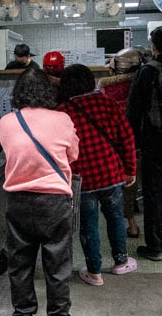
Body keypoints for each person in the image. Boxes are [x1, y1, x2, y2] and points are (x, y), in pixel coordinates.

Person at [0, 67, 79, 316]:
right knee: (57, 267)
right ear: (48, 91)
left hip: (18, 201)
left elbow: (10, 151)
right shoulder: (63, 119)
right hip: (54, 201)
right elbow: (73, 154)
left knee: (20, 266)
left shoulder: (7, 121)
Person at [59, 65, 138, 286]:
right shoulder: (107, 104)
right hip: (111, 174)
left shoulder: (63, 111)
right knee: (115, 217)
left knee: (88, 224)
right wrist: (130, 169)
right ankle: (121, 262)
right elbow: (127, 138)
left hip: (81, 178)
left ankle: (95, 272)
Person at [127, 26, 162, 260]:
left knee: (154, 192)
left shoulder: (147, 72)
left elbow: (134, 111)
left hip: (156, 140)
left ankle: (156, 246)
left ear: (154, 46)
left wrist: (135, 143)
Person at [98, 48, 144, 238]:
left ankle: (130, 223)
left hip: (114, 143)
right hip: (142, 138)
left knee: (122, 185)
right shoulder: (143, 82)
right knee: (145, 182)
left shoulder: (106, 87)